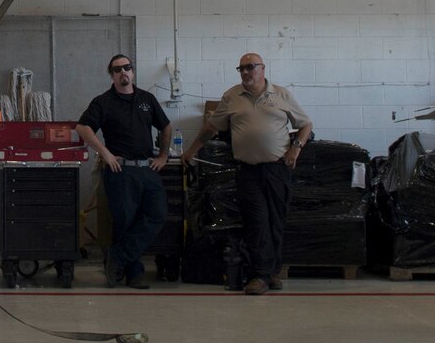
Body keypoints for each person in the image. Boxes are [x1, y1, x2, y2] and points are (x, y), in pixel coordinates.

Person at [188, 53, 313, 295]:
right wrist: (191, 150)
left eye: (250, 67)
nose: (245, 72)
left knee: (276, 221)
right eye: (241, 68)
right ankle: (260, 275)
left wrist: (296, 149)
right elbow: (212, 127)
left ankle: (272, 271)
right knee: (256, 222)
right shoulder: (232, 97)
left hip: (277, 169)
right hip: (248, 171)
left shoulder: (281, 94)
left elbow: (306, 124)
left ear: (263, 69)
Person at [78, 54, 171, 289]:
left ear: (133, 71)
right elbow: (82, 127)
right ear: (112, 75)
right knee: (126, 222)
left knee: (157, 214)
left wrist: (163, 155)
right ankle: (134, 273)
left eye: (127, 68)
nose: (123, 72)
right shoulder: (104, 102)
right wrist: (105, 153)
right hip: (121, 171)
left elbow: (166, 126)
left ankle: (116, 258)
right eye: (117, 69)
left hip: (147, 169)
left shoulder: (147, 100)